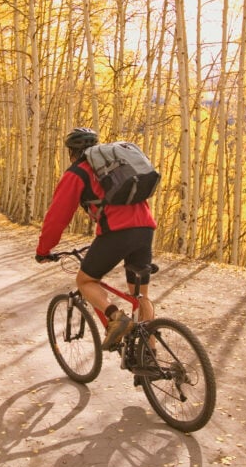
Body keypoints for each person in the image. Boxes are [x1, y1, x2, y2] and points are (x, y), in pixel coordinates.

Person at [35, 127, 157, 350]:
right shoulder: (117, 166)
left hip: (117, 232)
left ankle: (116, 318)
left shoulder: (77, 173)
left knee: (85, 281)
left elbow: (57, 217)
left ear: (72, 152)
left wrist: (43, 250)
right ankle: (149, 356)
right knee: (140, 295)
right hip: (146, 228)